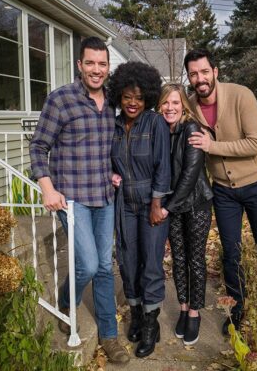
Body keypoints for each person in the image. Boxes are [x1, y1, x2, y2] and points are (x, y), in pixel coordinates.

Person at [30, 37, 129, 364]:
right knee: (88, 263)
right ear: (80, 65)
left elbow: (106, 148)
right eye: (90, 63)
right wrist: (47, 187)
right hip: (71, 197)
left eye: (102, 64)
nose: (96, 70)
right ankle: (65, 298)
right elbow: (38, 147)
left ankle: (110, 336)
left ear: (107, 67)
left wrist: (115, 172)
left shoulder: (112, 102)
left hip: (104, 194)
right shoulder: (61, 100)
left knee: (104, 266)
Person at [184, 49, 257, 336]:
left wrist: (212, 147)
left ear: (215, 71)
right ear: (190, 77)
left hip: (256, 184)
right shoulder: (190, 105)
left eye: (204, 71)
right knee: (230, 252)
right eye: (194, 74)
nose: (200, 78)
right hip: (223, 192)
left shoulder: (242, 95)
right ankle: (237, 306)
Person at [109, 61, 171, 358]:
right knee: (128, 262)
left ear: (147, 97)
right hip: (125, 205)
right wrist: (110, 174)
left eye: (138, 97)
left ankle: (150, 324)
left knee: (151, 265)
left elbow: (163, 166)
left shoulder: (155, 123)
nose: (132, 103)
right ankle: (136, 315)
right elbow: (108, 160)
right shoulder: (116, 126)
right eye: (126, 97)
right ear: (118, 97)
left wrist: (157, 204)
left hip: (150, 204)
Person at [157, 84, 213, 345]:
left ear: (184, 107)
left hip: (195, 204)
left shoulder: (190, 129)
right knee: (178, 258)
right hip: (173, 205)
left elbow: (190, 174)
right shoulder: (162, 130)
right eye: (166, 103)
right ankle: (182, 306)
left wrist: (167, 207)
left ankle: (195, 312)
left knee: (194, 259)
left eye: (175, 103)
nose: (170, 108)